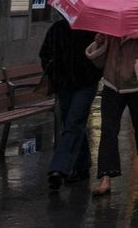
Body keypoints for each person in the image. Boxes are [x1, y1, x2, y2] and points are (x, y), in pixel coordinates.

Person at [86, 27, 138, 196]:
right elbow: (99, 62)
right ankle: (106, 177)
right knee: (108, 130)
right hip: (112, 86)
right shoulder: (111, 32)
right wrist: (99, 44)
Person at [39, 14, 102, 190]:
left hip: (86, 84)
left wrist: (98, 44)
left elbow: (101, 59)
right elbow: (45, 54)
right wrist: (55, 73)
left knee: (74, 121)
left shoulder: (93, 31)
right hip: (64, 85)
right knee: (71, 122)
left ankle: (59, 168)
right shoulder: (57, 29)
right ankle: (82, 166)